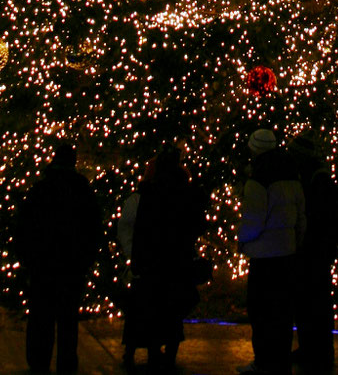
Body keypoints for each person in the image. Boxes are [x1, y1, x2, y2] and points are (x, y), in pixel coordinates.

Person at [15, 138, 102, 375]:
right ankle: (66, 363)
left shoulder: (41, 189)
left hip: (43, 264)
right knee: (67, 320)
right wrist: (86, 258)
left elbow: (24, 226)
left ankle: (38, 360)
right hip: (72, 265)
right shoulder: (82, 190)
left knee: (41, 316)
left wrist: (28, 258)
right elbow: (94, 227)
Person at [118, 145, 206, 370]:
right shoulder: (185, 192)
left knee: (145, 307)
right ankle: (169, 351)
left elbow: (136, 227)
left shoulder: (148, 192)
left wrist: (135, 255)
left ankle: (143, 349)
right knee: (172, 309)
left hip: (150, 260)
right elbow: (196, 224)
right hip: (176, 260)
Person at [238, 128, 306, 375]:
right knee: (283, 314)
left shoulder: (258, 180)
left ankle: (263, 362)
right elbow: (301, 216)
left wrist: (242, 241)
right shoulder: (292, 176)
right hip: (286, 254)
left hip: (264, 256)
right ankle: (280, 361)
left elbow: (253, 219)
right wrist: (296, 242)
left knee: (261, 313)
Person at [290, 135, 338, 374]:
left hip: (316, 250)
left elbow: (321, 217)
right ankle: (312, 348)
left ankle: (319, 350)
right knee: (311, 302)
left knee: (315, 302)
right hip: (316, 250)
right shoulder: (314, 177)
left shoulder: (317, 181)